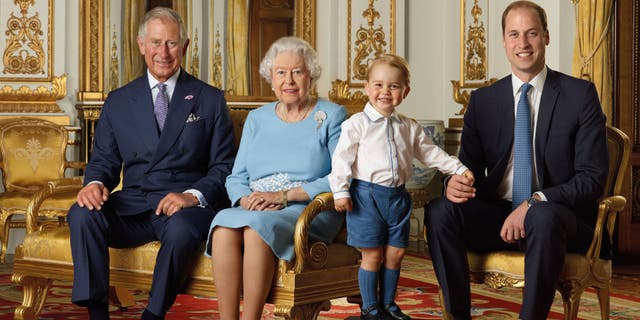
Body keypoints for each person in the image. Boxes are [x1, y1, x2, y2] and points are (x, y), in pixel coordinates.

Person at [424, 1, 609, 319]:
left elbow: (591, 178)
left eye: (532, 33)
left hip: (560, 219)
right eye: (514, 34)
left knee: (542, 216)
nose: (523, 44)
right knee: (440, 210)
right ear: (504, 42)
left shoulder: (580, 95)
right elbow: (466, 166)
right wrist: (452, 183)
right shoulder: (483, 100)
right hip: (499, 217)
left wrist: (536, 201)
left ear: (546, 37)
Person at [66, 7, 235, 320]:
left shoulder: (209, 99)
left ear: (184, 47)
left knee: (183, 228)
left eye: (171, 43)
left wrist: (192, 196)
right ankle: (96, 312)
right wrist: (94, 184)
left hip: (183, 208)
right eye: (156, 43)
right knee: (81, 213)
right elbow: (103, 161)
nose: (163, 52)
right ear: (141, 44)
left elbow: (224, 167)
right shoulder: (118, 100)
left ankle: (153, 314)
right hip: (134, 206)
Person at [207, 36, 347, 319]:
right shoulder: (258, 119)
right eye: (281, 72)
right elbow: (237, 176)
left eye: (298, 71)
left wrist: (284, 196)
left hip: (307, 207)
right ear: (271, 78)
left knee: (256, 228)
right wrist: (245, 199)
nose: (289, 80)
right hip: (256, 206)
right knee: (222, 226)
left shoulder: (332, 115)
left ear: (311, 76)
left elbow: (341, 177)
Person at [329, 54, 473, 320]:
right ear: (367, 88)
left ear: (404, 92)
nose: (385, 92)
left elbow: (431, 154)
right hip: (366, 197)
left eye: (393, 86)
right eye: (379, 85)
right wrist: (340, 191)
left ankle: (388, 304)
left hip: (398, 198)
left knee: (395, 254)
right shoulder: (356, 125)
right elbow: (341, 160)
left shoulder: (408, 127)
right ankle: (370, 308)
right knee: (372, 256)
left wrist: (458, 168)